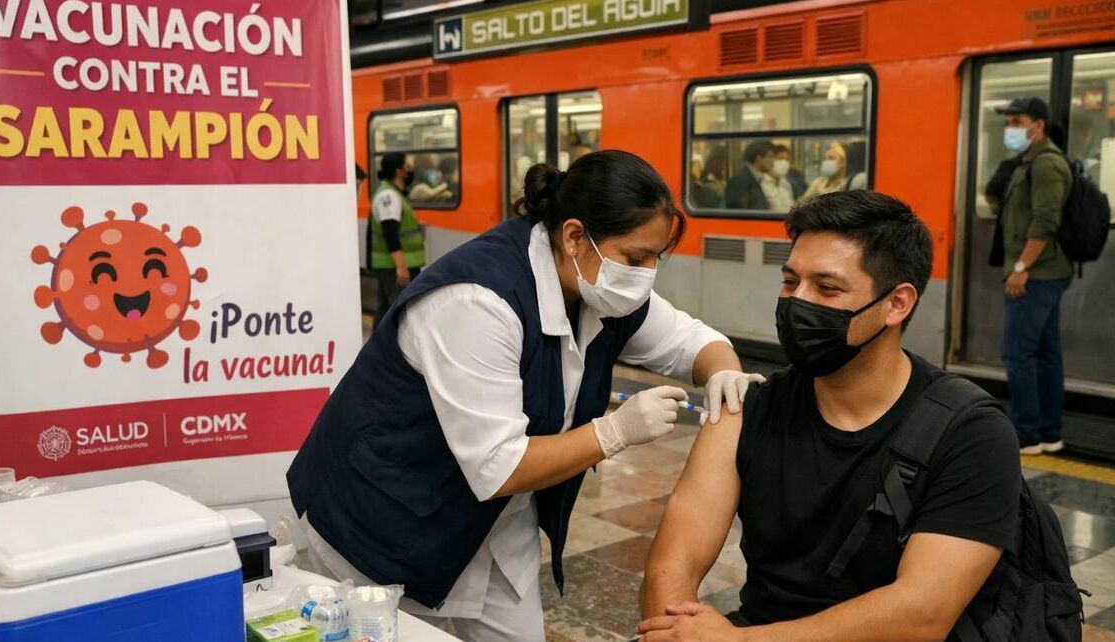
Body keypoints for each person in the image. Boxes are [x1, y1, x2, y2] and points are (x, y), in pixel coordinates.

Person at [288, 150, 765, 642]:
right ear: (575, 236)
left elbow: (693, 342)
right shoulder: (478, 299)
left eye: (655, 260)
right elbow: (500, 466)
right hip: (385, 518)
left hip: (491, 525)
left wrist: (723, 372)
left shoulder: (600, 284)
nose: (645, 275)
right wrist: (613, 432)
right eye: (635, 259)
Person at [638, 191, 1021, 642]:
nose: (798, 302)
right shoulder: (749, 407)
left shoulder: (971, 432)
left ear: (897, 303)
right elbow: (673, 558)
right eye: (790, 281)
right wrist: (674, 628)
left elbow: (922, 613)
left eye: (827, 288)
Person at [997, 97, 1074, 455]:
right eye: (1008, 121)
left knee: (1017, 352)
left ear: (1038, 125)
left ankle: (1027, 432)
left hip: (1038, 273)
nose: (1010, 127)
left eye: (1017, 120)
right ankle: (1049, 432)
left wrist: (1021, 268)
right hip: (1044, 273)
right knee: (1044, 353)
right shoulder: (1030, 162)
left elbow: (1045, 220)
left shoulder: (1045, 164)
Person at [368, 152, 425, 322]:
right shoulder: (389, 197)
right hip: (394, 266)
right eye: (407, 167)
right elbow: (390, 232)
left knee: (386, 310)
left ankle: (377, 347)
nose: (410, 171)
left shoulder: (394, 193)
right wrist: (401, 266)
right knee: (397, 312)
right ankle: (389, 347)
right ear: (398, 171)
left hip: (395, 264)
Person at [725, 141, 774, 210]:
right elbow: (737, 211)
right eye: (770, 157)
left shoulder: (756, 178)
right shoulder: (740, 180)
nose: (772, 162)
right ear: (759, 158)